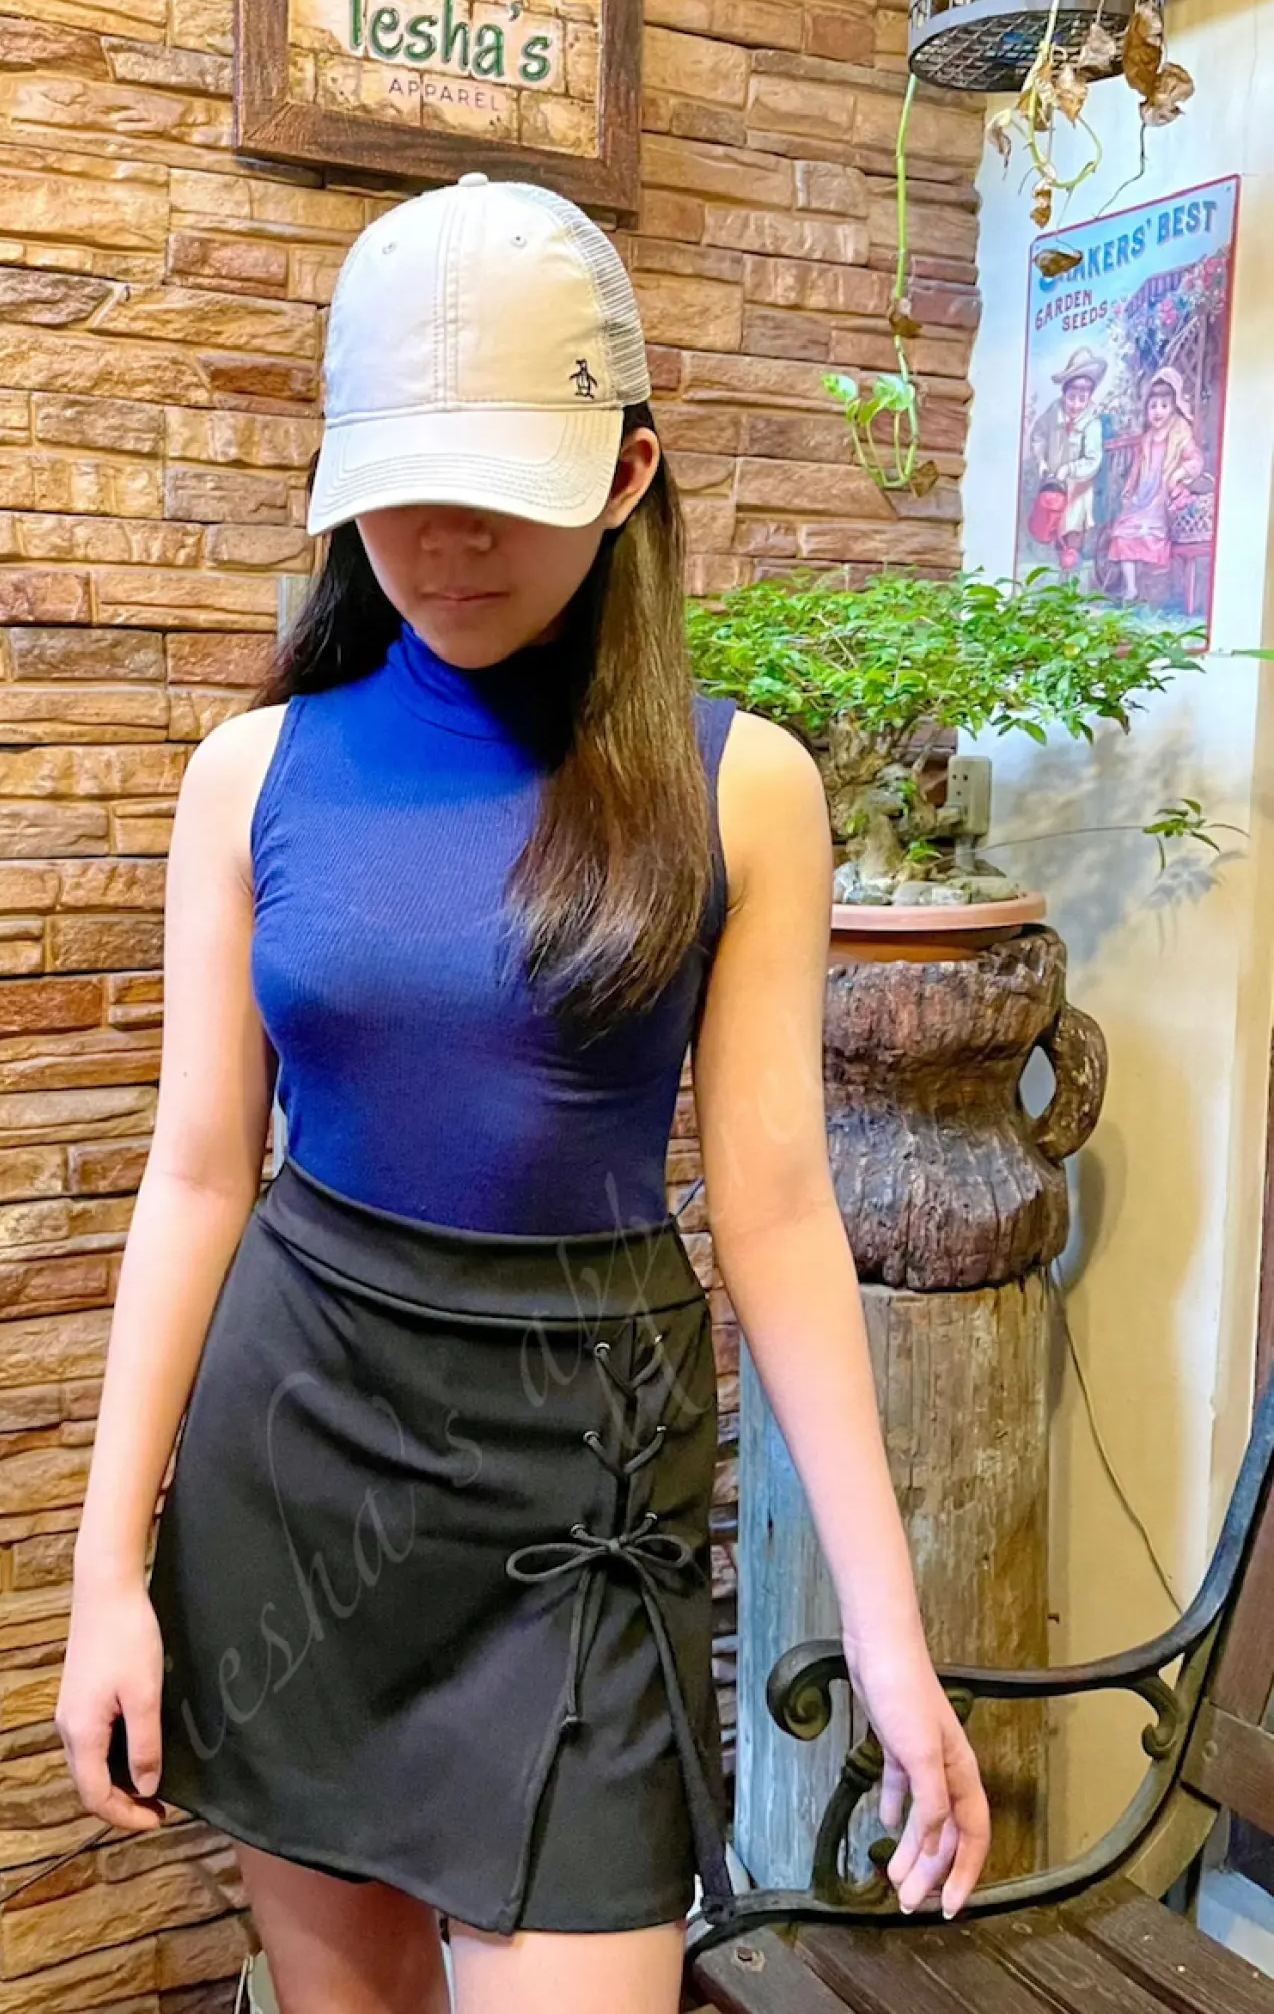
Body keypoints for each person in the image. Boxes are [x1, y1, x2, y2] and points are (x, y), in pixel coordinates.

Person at [55, 171, 990, 2014]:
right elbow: (197, 1176)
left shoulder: (743, 790)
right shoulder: (248, 777)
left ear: (627, 475)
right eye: (397, 488)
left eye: (498, 489)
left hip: (580, 1496)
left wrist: (886, 1640)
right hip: (297, 1473)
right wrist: (107, 1575)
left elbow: (776, 1211)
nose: (441, 540)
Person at [1104, 366, 1204, 602]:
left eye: (1164, 405)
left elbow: (1195, 460)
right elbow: (1137, 470)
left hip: (1163, 496)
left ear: (1173, 407)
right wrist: (1130, 490)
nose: (1158, 411)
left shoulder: (1180, 431)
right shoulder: (1147, 438)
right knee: (1124, 530)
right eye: (1153, 406)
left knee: (1151, 532)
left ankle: (1155, 589)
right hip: (1144, 495)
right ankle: (1131, 588)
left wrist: (1180, 473)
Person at [1027, 347, 1106, 571]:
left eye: (1082, 399)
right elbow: (1039, 435)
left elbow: (1093, 459)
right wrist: (1041, 461)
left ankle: (1072, 568)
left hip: (1077, 489)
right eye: (1072, 398)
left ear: (1089, 398)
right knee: (1053, 525)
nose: (1076, 405)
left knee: (1073, 529)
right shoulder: (1054, 411)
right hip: (1054, 485)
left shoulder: (1092, 423)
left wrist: (1069, 469)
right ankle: (1061, 569)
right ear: (1064, 394)